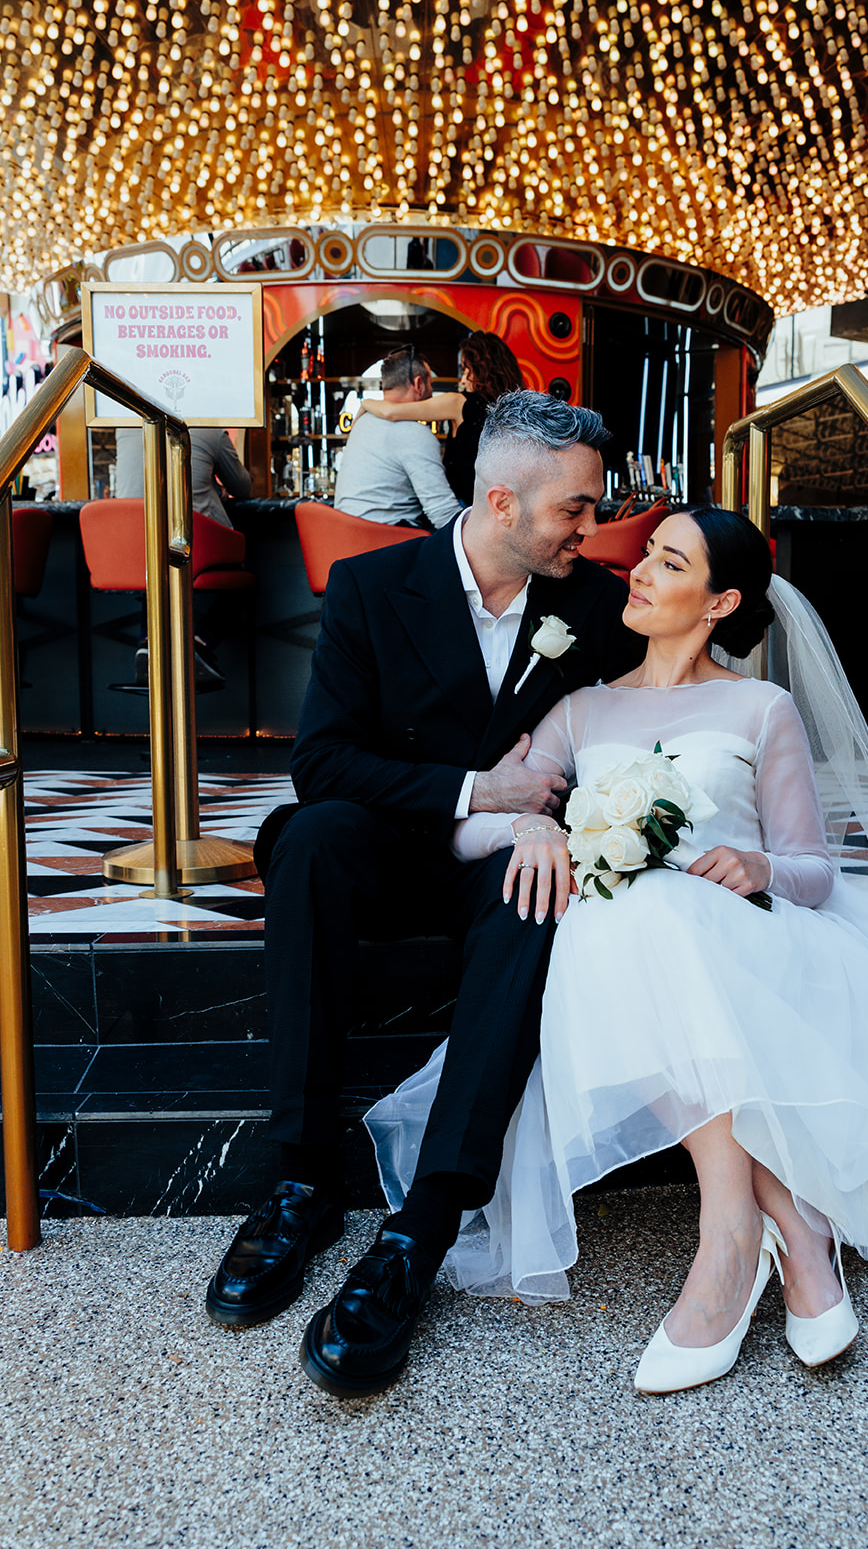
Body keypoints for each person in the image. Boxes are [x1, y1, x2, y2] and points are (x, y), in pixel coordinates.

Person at [368, 507, 868, 1395]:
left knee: (650, 914)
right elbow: (467, 832)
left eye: (668, 562)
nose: (639, 573)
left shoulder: (760, 707)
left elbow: (809, 869)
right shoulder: (580, 709)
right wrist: (528, 825)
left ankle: (743, 1240)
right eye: (645, 555)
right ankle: (768, 1228)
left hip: (746, 936)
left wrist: (757, 860)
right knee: (629, 911)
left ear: (720, 600)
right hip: (624, 942)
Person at [204, 391, 640, 1396]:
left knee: (542, 895)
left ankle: (420, 1228)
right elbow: (323, 761)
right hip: (392, 846)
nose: (593, 526)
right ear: (500, 503)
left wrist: (561, 815)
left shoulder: (589, 603)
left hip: (504, 864)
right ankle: (302, 1177)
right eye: (575, 509)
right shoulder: (371, 587)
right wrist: (473, 789)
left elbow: (661, 705)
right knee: (310, 838)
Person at [114, 424, 252, 689]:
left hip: (132, 550)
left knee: (155, 573)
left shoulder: (123, 425)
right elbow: (242, 486)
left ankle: (150, 645)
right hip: (193, 549)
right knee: (245, 577)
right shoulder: (209, 427)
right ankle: (199, 643)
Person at [353, 330, 525, 505]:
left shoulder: (459, 403)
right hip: (501, 505)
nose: (463, 381)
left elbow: (392, 411)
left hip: (464, 509)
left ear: (482, 370)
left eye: (467, 370)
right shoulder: (513, 409)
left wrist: (366, 403)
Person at [333, 344, 462, 530]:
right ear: (418, 384)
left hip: (346, 542)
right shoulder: (414, 433)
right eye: (431, 385)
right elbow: (442, 513)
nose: (432, 393)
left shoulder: (362, 423)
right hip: (387, 544)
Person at [114, 424, 251, 528]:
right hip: (197, 545)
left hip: (130, 538)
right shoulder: (209, 429)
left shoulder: (125, 427)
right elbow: (242, 487)